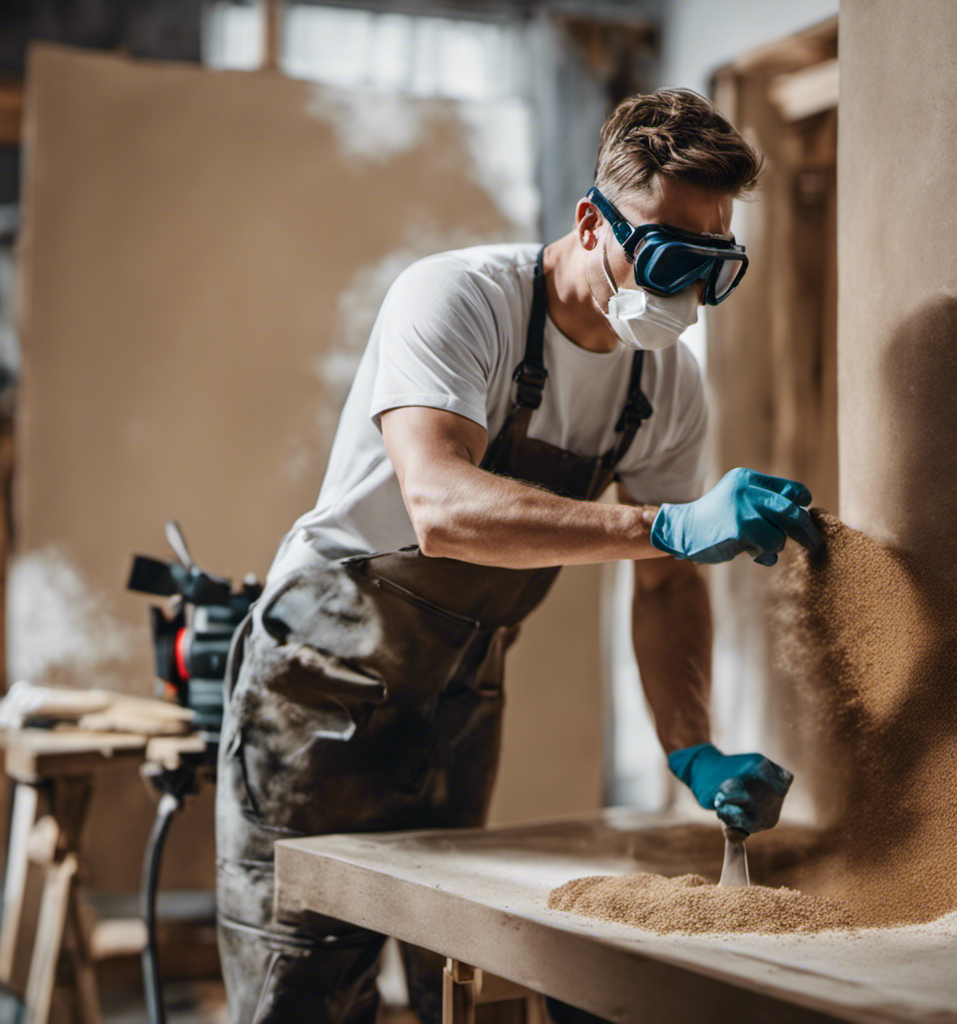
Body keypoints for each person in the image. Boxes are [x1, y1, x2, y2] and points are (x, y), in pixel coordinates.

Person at [215, 87, 821, 1024]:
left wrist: (689, 747)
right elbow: (443, 508)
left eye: (715, 268)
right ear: (592, 222)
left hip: (459, 692)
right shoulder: (459, 298)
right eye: (667, 257)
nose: (687, 298)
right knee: (304, 985)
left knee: (460, 974)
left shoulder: (667, 384)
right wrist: (663, 525)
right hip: (319, 684)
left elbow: (664, 589)